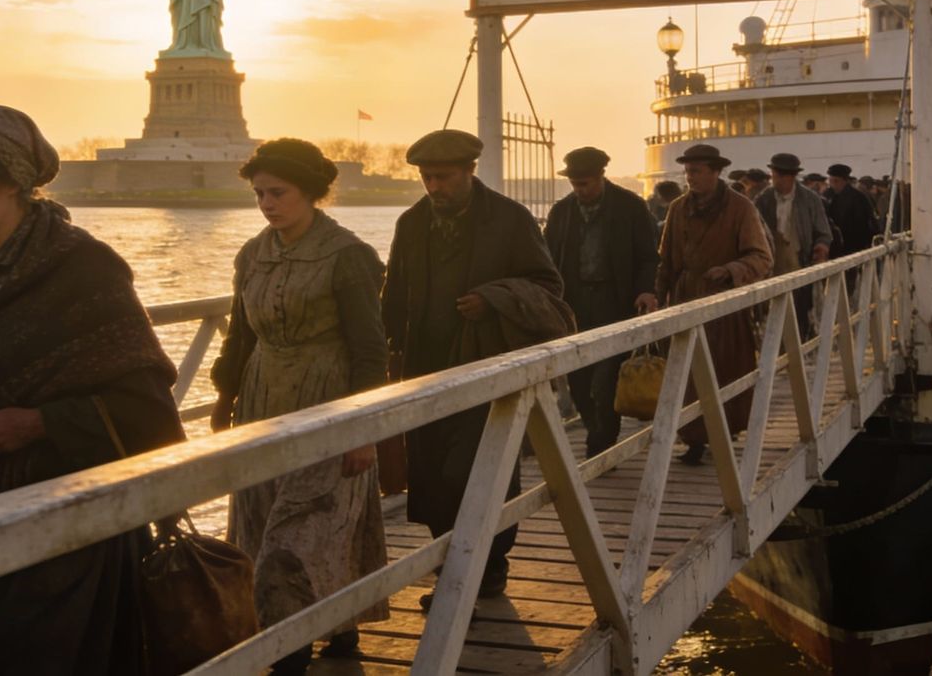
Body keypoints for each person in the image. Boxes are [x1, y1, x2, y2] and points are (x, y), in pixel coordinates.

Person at [0, 106, 185, 676]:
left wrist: (42, 422)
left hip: (65, 525)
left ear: (11, 179)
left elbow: (146, 406)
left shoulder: (85, 267)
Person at [208, 138, 389, 671]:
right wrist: (224, 397)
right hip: (261, 397)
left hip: (328, 399)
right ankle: (336, 626)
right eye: (259, 194)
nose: (266, 203)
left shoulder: (348, 256)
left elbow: (370, 347)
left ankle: (290, 652)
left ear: (310, 193)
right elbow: (240, 334)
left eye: (278, 193)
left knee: (306, 530)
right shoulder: (252, 254)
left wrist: (363, 429)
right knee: (260, 523)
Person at [382, 129, 571, 610]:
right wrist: (387, 356)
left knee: (475, 471)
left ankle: (489, 567)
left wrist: (493, 299)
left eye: (443, 177)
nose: (434, 187)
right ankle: (453, 569)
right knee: (430, 473)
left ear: (470, 171)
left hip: (489, 371)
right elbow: (394, 295)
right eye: (426, 178)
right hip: (425, 372)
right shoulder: (412, 223)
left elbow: (547, 286)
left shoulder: (510, 220)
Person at [657, 145, 772, 465]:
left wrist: (731, 270)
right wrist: (658, 296)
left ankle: (723, 433)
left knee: (725, 373)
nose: (689, 177)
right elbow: (665, 261)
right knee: (687, 375)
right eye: (687, 171)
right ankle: (693, 438)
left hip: (724, 305)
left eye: (696, 171)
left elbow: (761, 257)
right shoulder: (677, 208)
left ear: (715, 172)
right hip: (685, 300)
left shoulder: (741, 208)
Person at [543, 147, 659, 457]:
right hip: (574, 303)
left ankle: (602, 440)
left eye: (584, 184)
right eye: (574, 184)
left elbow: (648, 256)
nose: (579, 190)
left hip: (614, 300)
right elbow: (547, 258)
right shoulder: (561, 212)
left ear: (600, 177)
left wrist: (645, 290)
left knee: (607, 378)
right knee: (578, 377)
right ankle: (595, 429)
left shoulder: (631, 207)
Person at [754, 154, 832, 339]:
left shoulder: (810, 200)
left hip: (800, 264)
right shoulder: (763, 200)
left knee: (800, 313)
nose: (775, 180)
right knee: (772, 316)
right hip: (771, 267)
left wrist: (821, 249)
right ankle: (778, 349)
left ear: (791, 176)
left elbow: (824, 232)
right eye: (774, 175)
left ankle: (801, 345)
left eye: (779, 176)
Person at [825, 164, 879, 257]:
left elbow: (865, 224)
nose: (833, 184)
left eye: (836, 181)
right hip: (833, 247)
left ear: (845, 181)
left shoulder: (858, 198)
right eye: (830, 181)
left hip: (853, 246)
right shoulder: (827, 195)